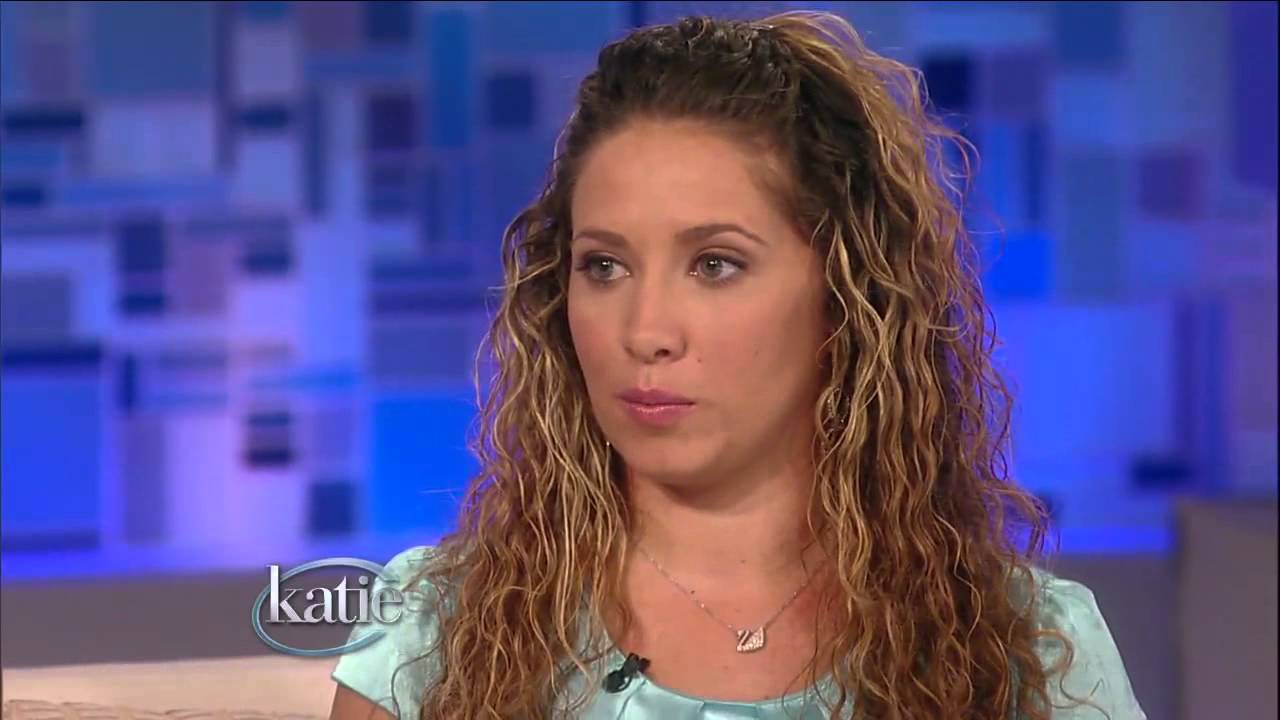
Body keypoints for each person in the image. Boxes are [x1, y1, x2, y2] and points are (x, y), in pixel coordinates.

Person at [328, 11, 1147, 720]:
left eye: (715, 264)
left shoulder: (1029, 651)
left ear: (846, 292)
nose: (646, 331)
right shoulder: (436, 633)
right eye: (604, 266)